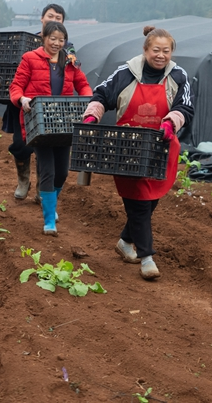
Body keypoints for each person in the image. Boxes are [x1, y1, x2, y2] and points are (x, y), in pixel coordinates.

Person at [81, 26, 193, 281]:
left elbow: (186, 106)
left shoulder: (178, 75)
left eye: (166, 51)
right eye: (156, 50)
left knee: (150, 200)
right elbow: (101, 94)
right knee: (139, 203)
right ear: (145, 50)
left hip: (160, 147)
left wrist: (170, 122)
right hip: (128, 148)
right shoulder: (126, 72)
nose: (161, 55)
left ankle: (125, 241)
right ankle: (147, 257)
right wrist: (92, 115)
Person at [9, 21, 92, 236]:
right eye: (52, 38)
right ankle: (49, 221)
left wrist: (87, 101)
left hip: (63, 121)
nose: (56, 43)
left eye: (61, 39)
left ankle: (51, 204)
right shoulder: (30, 59)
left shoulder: (70, 61)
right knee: (47, 169)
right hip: (40, 123)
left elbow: (82, 85)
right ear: (43, 38)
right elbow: (16, 86)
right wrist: (23, 99)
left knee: (62, 173)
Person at [1, 4, 78, 204]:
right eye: (50, 15)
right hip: (27, 104)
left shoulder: (67, 48)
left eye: (59, 17)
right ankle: (23, 180)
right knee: (21, 145)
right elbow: (18, 80)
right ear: (42, 19)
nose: (54, 19)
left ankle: (41, 188)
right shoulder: (29, 43)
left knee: (47, 150)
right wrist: (21, 97)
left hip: (54, 110)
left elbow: (76, 72)